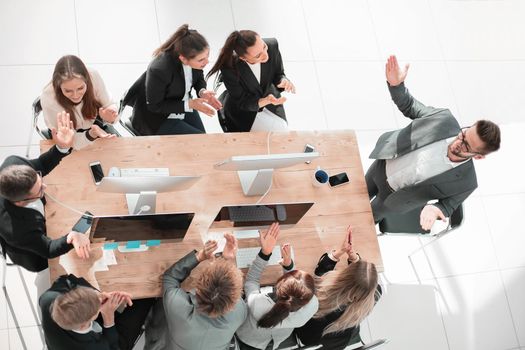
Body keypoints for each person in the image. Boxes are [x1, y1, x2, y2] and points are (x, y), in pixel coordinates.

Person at [366, 55, 501, 232]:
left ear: (479, 156)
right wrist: (396, 85)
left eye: (467, 146)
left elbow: (448, 205)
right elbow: (409, 105)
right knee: (349, 194)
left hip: (393, 199)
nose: (458, 141)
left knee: (365, 221)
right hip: (382, 166)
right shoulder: (443, 119)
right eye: (464, 134)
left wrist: (435, 209)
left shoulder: (467, 183)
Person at [0, 112, 91, 275]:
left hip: (44, 218)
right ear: (21, 202)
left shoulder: (13, 163)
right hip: (35, 255)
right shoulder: (17, 231)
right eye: (39, 190)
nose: (45, 187)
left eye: (40, 180)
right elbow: (48, 248)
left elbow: (41, 163)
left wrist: (61, 147)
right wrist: (71, 238)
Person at [145, 233, 247, 350]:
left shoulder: (178, 308)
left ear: (197, 289)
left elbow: (170, 278)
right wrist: (226, 260)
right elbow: (227, 291)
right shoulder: (240, 311)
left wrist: (200, 256)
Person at [295, 227, 381, 349]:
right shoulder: (375, 293)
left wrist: (340, 251)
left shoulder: (322, 295)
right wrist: (353, 256)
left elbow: (321, 272)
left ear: (344, 276)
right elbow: (362, 281)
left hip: (305, 333)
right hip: (332, 340)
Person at [236, 223, 318, 350]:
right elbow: (296, 292)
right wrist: (288, 266)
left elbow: (251, 281)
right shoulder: (312, 305)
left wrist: (265, 253)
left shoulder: (258, 304)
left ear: (278, 284)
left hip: (248, 339)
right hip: (277, 341)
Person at [129, 24, 222, 136]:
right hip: (156, 118)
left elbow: (198, 75)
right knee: (199, 141)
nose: (207, 62)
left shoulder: (191, 51)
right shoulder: (159, 69)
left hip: (182, 101)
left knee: (202, 138)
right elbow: (155, 106)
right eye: (201, 60)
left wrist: (202, 91)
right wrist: (190, 104)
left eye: (207, 55)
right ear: (183, 58)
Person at [207, 30, 295, 132]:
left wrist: (283, 80)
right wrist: (265, 101)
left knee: (282, 132)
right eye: (258, 56)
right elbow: (242, 102)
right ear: (243, 58)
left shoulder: (272, 45)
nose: (265, 55)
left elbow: (278, 73)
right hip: (245, 111)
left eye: (264, 47)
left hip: (272, 103)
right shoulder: (229, 68)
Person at [39, 273, 154, 350]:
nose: (100, 301)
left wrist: (96, 294)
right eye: (97, 308)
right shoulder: (94, 347)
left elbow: (66, 279)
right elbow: (113, 347)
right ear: (86, 323)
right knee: (143, 302)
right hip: (109, 343)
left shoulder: (48, 300)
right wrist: (108, 318)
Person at [41, 55, 117, 150]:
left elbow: (109, 104)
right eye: (68, 91)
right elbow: (70, 141)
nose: (76, 96)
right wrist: (91, 134)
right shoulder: (49, 98)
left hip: (95, 126)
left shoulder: (93, 76)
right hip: (67, 136)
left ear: (87, 80)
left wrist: (111, 116)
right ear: (58, 86)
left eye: (80, 88)